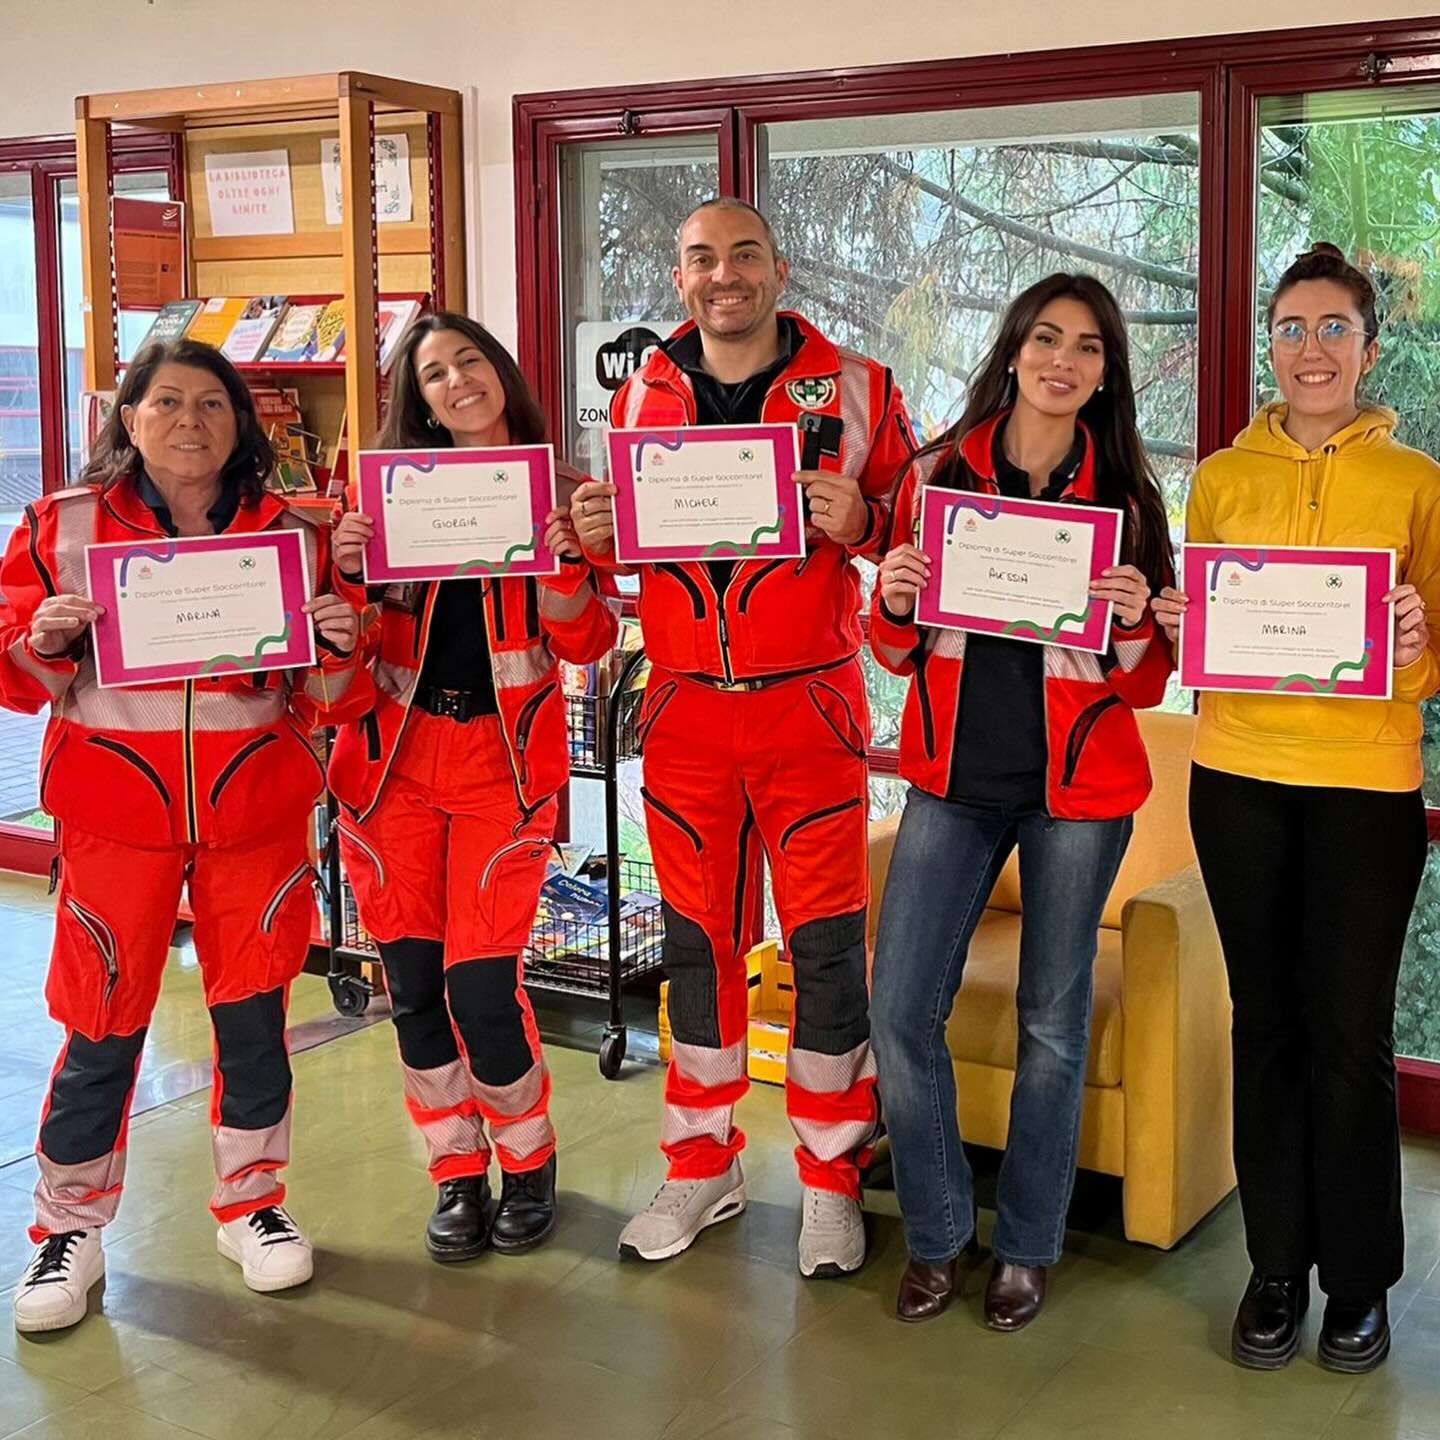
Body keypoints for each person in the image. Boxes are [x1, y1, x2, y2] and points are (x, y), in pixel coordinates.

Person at [572, 197, 916, 1276]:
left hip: (806, 706)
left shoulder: (858, 388)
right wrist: (596, 537)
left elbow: (920, 529)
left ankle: (828, 1179)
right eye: (701, 259)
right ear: (680, 278)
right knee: (697, 949)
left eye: (744, 255)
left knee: (823, 954)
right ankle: (701, 1162)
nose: (723, 275)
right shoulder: (639, 393)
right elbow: (629, 558)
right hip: (680, 708)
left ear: (778, 266)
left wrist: (862, 522)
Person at [5, 339, 366, 1333]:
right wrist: (44, 643)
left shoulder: (295, 531)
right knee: (102, 1023)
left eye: (213, 403)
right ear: (129, 419)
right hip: (115, 820)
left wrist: (338, 647)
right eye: (167, 403)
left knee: (252, 1017)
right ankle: (65, 1231)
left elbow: (335, 698)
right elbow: (12, 677)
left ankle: (251, 1202)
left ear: (239, 423)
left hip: (256, 817)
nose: (191, 422)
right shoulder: (63, 527)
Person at [1153, 243, 1440, 1374]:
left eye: (1333, 328)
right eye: (1290, 326)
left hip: (1368, 791)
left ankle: (1359, 1281)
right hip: (1238, 779)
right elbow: (1212, 647)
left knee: (1350, 1042)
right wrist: (1186, 626)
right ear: (1268, 344)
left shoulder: (1418, 482)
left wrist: (1415, 651)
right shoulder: (1222, 476)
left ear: (1370, 349)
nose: (1311, 347)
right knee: (1264, 1028)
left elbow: (1439, 650)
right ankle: (1276, 1270)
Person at [869, 274, 1174, 1328]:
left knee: (1054, 1023)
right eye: (1048, 338)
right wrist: (894, 599)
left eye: (1088, 348)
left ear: (1103, 375)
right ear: (1013, 350)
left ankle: (1029, 1247)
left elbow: (1144, 680)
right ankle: (942, 1234)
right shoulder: (934, 475)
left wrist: (1132, 620)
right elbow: (898, 651)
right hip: (954, 782)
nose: (1065, 361)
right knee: (902, 1011)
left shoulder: (1125, 495)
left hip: (1079, 792)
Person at [329, 313, 616, 1263]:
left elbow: (587, 642)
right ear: (418, 399)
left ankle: (526, 1161)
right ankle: (456, 1172)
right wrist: (349, 571)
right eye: (435, 373)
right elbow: (345, 651)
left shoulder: (565, 496)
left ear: (501, 371)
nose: (457, 382)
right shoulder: (376, 501)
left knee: (481, 985)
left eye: (471, 362)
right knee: (412, 988)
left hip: (502, 771)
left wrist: (563, 561)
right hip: (390, 774)